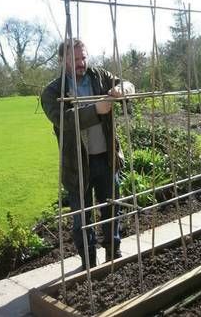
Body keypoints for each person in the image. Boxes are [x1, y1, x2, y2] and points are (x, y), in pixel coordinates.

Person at [41, 39, 135, 269]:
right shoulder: (52, 91)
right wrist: (95, 110)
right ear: (62, 61)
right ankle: (89, 264)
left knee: (111, 208)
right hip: (77, 165)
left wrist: (124, 89)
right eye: (75, 59)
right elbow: (63, 120)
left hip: (106, 158)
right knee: (81, 219)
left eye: (83, 57)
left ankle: (114, 255)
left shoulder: (99, 76)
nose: (82, 63)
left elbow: (128, 83)